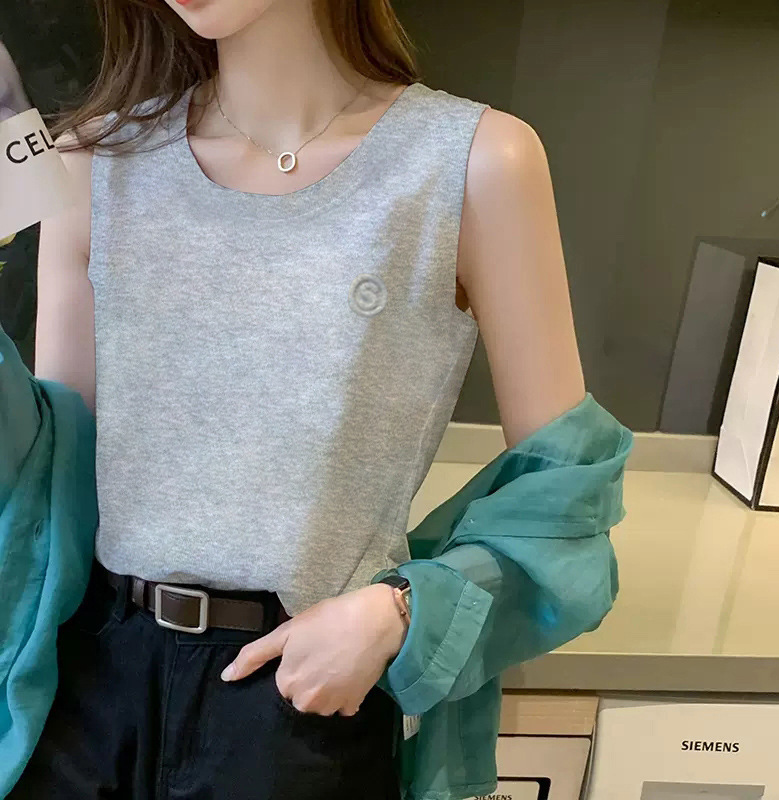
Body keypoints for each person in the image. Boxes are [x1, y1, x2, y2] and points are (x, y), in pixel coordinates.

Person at [9, 0, 592, 797]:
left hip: (299, 694)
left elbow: (567, 503)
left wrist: (398, 612)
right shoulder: (93, 159)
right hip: (88, 687)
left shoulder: (473, 161)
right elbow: (48, 477)